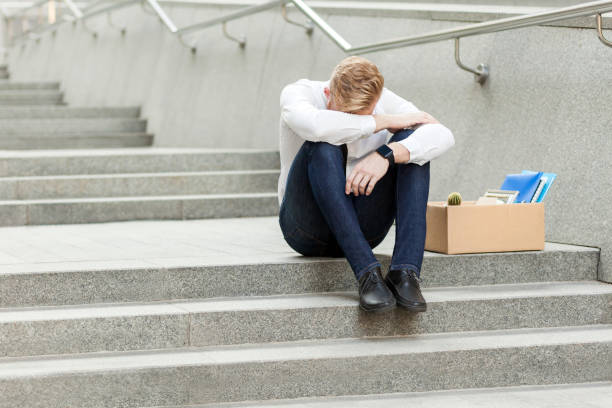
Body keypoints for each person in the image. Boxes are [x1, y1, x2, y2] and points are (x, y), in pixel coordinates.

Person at [277, 56, 455, 313]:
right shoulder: (299, 93)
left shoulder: (385, 99)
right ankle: (367, 274)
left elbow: (443, 134)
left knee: (412, 146)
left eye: (366, 114)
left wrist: (386, 154)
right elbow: (315, 125)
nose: (354, 122)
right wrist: (378, 122)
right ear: (329, 92)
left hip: (365, 227)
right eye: (346, 115)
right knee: (324, 144)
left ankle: (406, 272)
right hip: (305, 229)